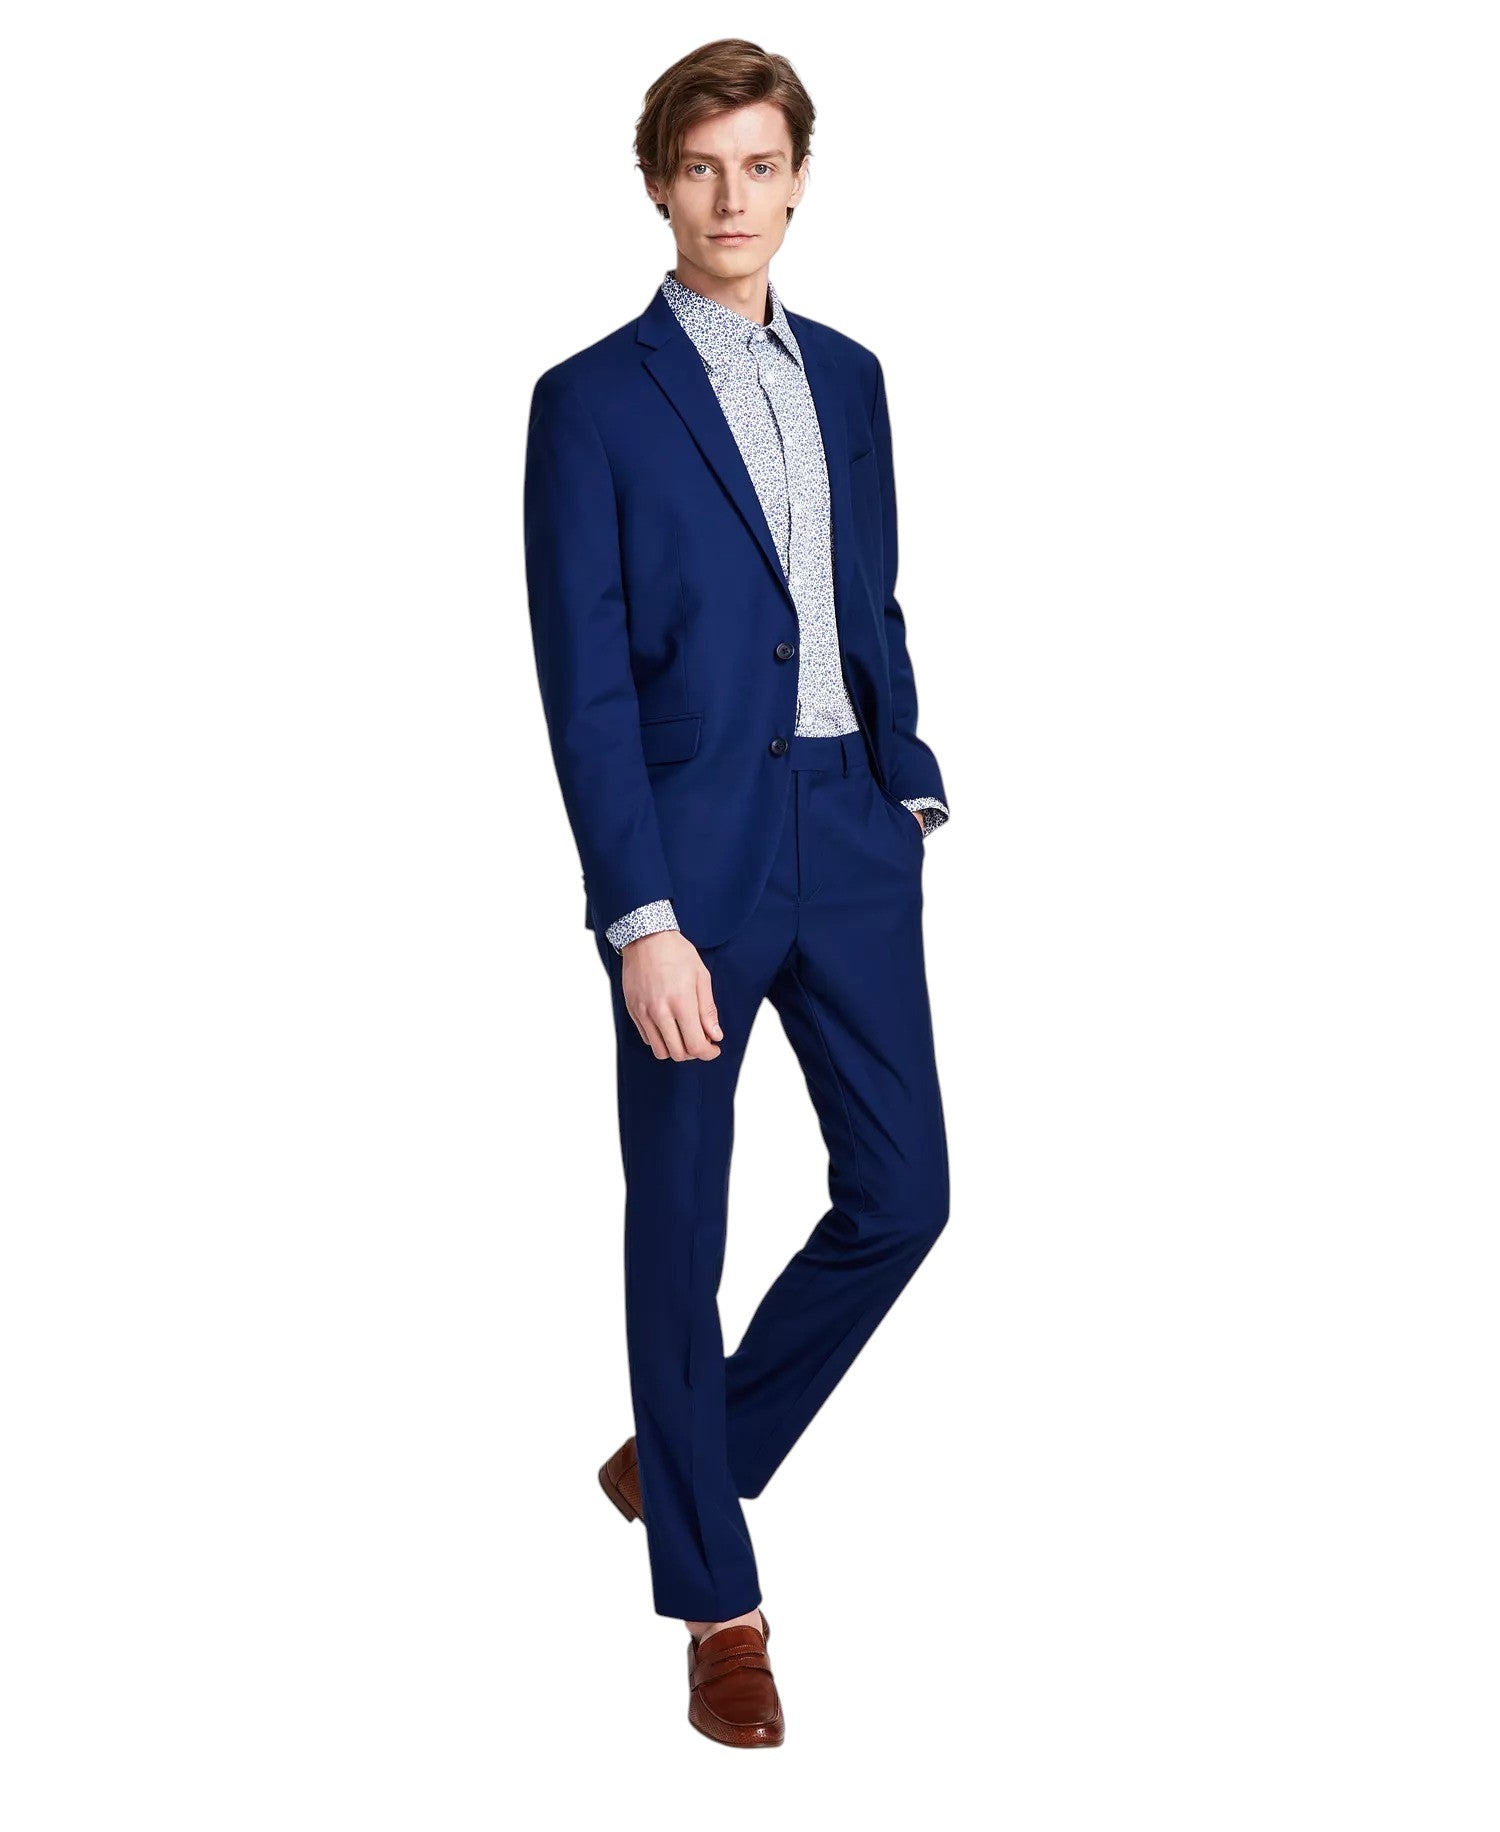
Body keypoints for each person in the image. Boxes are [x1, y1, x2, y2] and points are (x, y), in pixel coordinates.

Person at [522, 37, 952, 1748]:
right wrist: (638, 919)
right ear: (658, 185)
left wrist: (906, 775)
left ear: (797, 181)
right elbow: (584, 686)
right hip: (690, 864)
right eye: (701, 169)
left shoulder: (850, 375)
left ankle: (691, 1450)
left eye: (760, 167)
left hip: (850, 836)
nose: (731, 200)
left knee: (905, 1195)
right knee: (681, 1227)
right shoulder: (591, 401)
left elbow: (869, 592)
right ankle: (719, 1601)